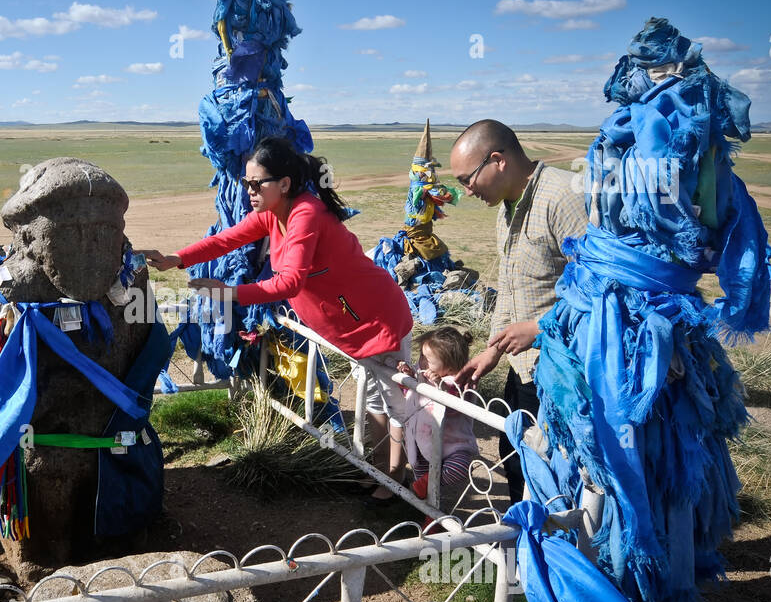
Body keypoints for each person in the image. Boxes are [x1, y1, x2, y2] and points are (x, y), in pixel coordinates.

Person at [143, 136, 414, 503]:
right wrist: (178, 258)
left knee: (396, 402)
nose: (250, 191)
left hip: (376, 316)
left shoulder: (306, 213)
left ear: (284, 184)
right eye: (246, 183)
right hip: (350, 323)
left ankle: (402, 478)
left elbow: (290, 281)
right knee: (374, 398)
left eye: (257, 184)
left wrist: (228, 293)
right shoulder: (275, 213)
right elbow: (227, 240)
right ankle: (382, 471)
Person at [447, 119, 586, 504]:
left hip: (566, 374)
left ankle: (561, 552)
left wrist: (540, 328)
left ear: (497, 160)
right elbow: (510, 289)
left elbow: (602, 292)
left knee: (559, 474)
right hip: (524, 367)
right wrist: (492, 350)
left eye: (467, 179)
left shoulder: (564, 199)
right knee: (516, 460)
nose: (466, 190)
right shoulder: (505, 210)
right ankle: (526, 549)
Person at [395, 327, 480, 522]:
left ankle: (426, 485)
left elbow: (453, 405)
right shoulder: (424, 373)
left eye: (428, 359)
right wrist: (408, 378)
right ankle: (430, 516)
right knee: (425, 482)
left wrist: (440, 386)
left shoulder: (460, 382)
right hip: (421, 440)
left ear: (449, 365)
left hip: (453, 444)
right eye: (422, 356)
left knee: (458, 470)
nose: (422, 362)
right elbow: (411, 395)